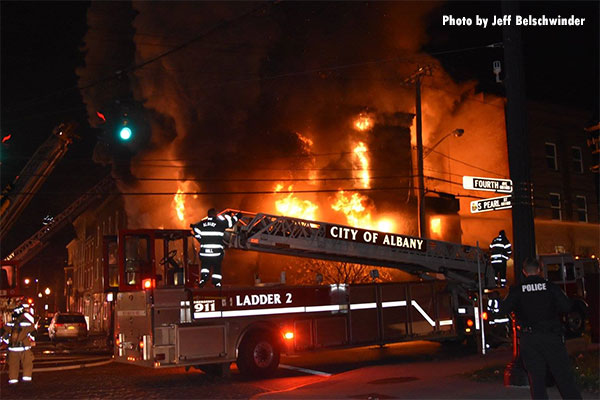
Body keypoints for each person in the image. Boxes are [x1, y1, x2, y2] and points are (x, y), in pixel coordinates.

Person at [489, 258, 581, 400]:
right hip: (552, 337)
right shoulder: (550, 287)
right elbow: (567, 306)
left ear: (524, 272)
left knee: (536, 380)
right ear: (539, 270)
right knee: (563, 377)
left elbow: (502, 309)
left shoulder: (517, 290)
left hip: (529, 339)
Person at [190, 208, 242, 287]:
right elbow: (230, 223)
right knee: (216, 268)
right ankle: (216, 283)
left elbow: (195, 228)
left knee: (205, 267)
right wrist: (237, 216)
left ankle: (203, 279)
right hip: (216, 253)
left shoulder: (202, 224)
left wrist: (200, 239)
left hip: (205, 254)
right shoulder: (219, 223)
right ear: (215, 214)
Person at [1, 301, 36, 384]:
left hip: (13, 348)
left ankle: (13, 380)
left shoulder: (9, 324)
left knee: (13, 365)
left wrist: (7, 341)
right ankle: (26, 380)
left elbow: (2, 333)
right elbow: (33, 333)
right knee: (27, 364)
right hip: (25, 348)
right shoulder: (27, 323)